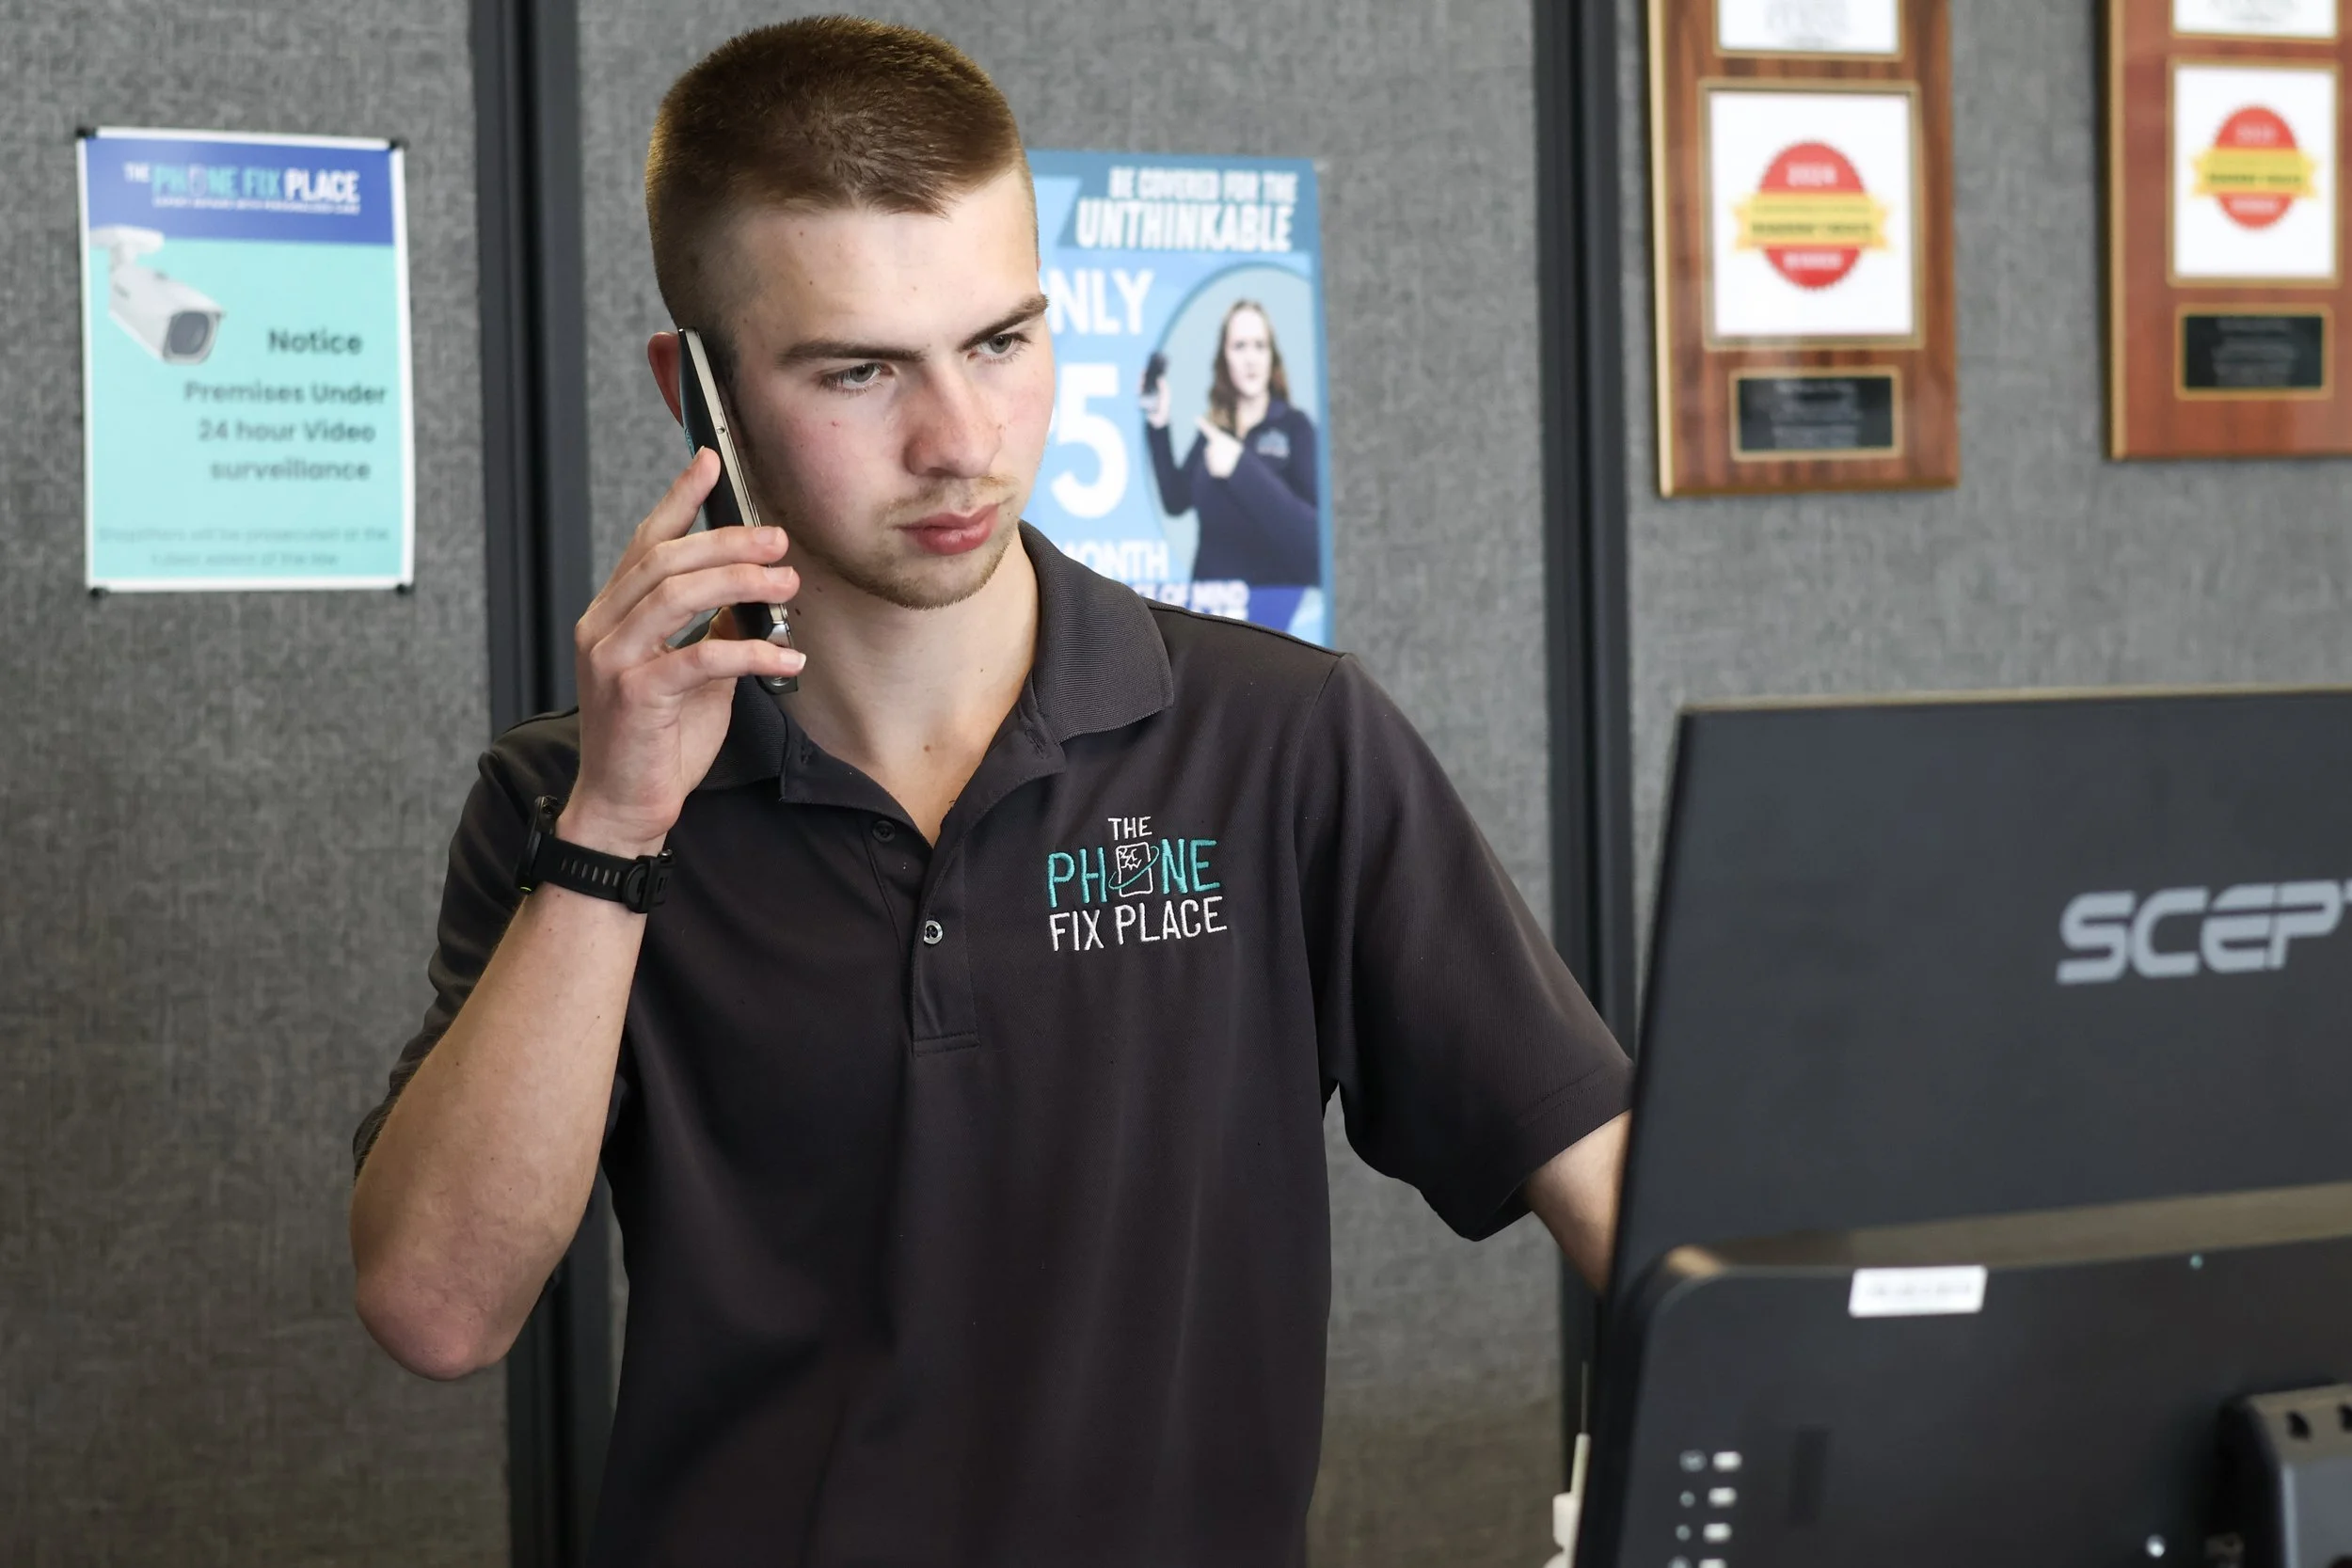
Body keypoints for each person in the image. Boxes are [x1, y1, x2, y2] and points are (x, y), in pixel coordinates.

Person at [348, 18, 1630, 1566]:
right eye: (861, 369)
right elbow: (435, 1309)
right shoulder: (569, 803)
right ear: (698, 394)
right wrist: (612, 837)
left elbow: (1620, 1196)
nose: (959, 442)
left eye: (1002, 341)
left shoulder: (1281, 737)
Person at [1144, 298, 1322, 586]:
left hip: (1268, 616)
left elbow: (1315, 540)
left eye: (1259, 346)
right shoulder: (1215, 429)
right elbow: (1175, 501)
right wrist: (1158, 424)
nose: (1250, 358)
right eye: (1239, 346)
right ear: (1225, 357)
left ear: (1271, 356)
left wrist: (1241, 468)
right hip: (1209, 612)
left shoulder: (1296, 429)